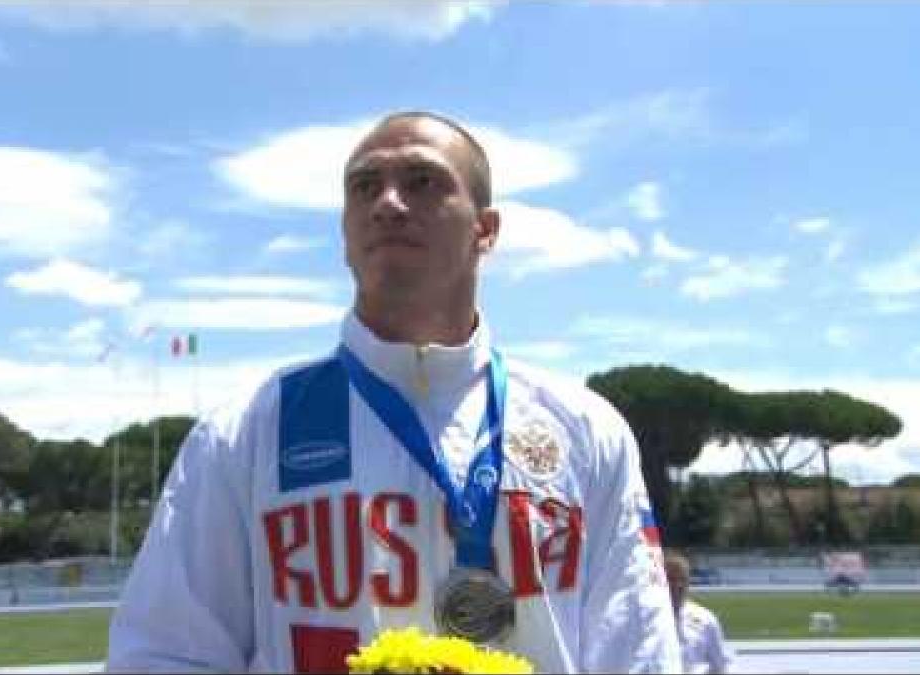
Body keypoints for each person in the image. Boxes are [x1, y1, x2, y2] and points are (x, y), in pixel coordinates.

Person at [106, 110, 682, 673]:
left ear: (485, 230)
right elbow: (167, 653)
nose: (387, 202)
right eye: (364, 187)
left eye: (422, 181)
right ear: (345, 231)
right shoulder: (246, 433)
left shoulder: (583, 428)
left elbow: (637, 649)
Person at [663, 550, 734, 674]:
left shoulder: (705, 619)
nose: (678, 585)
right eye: (671, 579)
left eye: (683, 579)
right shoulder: (645, 619)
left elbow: (722, 664)